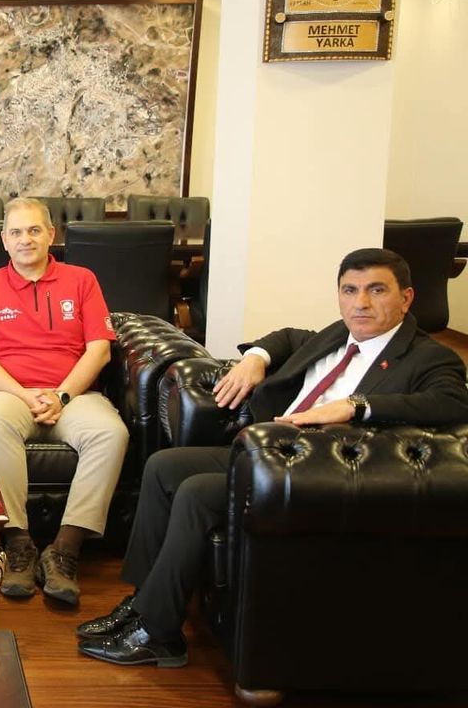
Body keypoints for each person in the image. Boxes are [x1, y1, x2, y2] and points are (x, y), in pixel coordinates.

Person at [78, 248, 468, 667]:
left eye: (376, 290)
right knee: (162, 466)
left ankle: (159, 635)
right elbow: (287, 337)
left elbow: (451, 402)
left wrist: (355, 405)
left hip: (316, 472)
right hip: (270, 452)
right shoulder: (340, 334)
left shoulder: (430, 357)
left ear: (406, 298)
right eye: (350, 290)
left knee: (195, 492)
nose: (361, 303)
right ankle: (142, 602)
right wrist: (255, 358)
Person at [0, 197, 130, 603]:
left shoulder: (82, 280)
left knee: (112, 433)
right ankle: (18, 544)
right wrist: (23, 394)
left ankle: (65, 549)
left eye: (34, 230)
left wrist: (61, 394)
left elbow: (99, 351)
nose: (26, 239)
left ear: (51, 235)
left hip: (73, 395)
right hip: (7, 394)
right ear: (4, 240)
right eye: (16, 232)